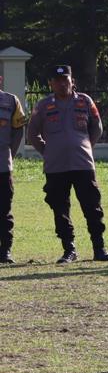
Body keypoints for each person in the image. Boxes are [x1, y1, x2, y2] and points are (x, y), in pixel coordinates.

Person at [25, 65, 108, 263]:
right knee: (60, 208)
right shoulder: (43, 105)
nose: (62, 84)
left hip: (83, 164)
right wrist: (47, 151)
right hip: (56, 167)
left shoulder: (84, 101)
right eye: (57, 81)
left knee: (92, 206)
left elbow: (96, 128)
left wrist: (85, 146)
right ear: (51, 83)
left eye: (66, 79)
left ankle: (99, 248)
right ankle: (69, 250)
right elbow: (32, 134)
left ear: (72, 81)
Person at [0, 73, 28, 264]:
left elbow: (19, 129)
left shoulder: (11, 101)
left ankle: (5, 251)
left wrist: (11, 154)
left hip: (2, 165)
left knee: (4, 210)